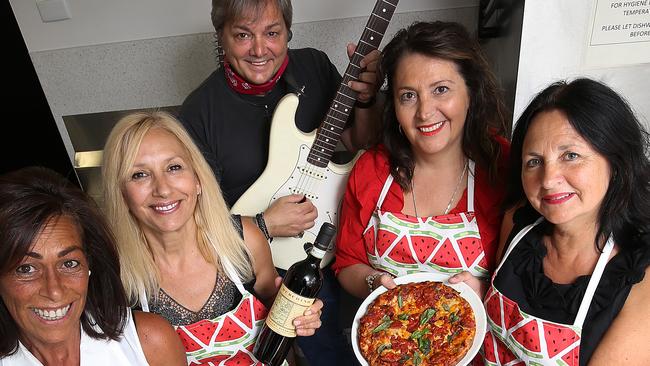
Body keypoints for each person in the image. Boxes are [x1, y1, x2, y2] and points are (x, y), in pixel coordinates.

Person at [178, 1, 383, 363]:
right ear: (221, 37)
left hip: (333, 238)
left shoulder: (314, 67)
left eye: (272, 33)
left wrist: (365, 100)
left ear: (287, 32)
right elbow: (194, 217)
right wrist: (264, 225)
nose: (260, 49)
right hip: (256, 266)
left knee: (343, 347)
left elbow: (357, 142)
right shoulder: (198, 112)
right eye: (243, 35)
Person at [101, 111, 323, 365]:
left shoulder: (245, 240)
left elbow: (276, 311)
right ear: (121, 194)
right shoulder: (114, 277)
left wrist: (301, 315)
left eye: (174, 168)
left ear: (197, 180)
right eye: (139, 174)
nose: (162, 189)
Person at [334, 21, 510, 299]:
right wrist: (374, 283)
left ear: (471, 92)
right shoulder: (372, 169)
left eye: (440, 89)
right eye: (408, 96)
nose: (425, 113)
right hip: (389, 337)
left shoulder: (504, 166)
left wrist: (485, 291)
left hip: (480, 338)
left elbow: (536, 272)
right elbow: (346, 262)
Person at [483, 78, 650, 365]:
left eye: (570, 156)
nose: (548, 180)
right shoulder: (517, 222)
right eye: (534, 161)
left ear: (617, 162)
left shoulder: (640, 283)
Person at [0, 167, 186, 366]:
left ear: (89, 264)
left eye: (69, 263)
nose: (54, 290)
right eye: (26, 269)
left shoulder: (149, 343)